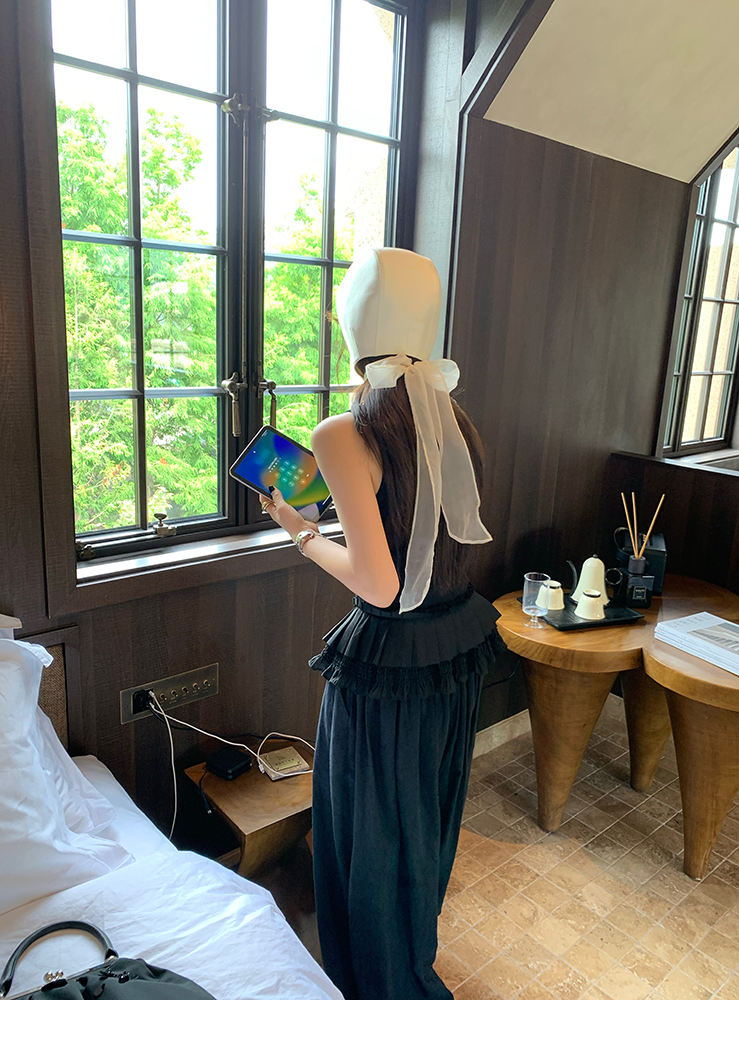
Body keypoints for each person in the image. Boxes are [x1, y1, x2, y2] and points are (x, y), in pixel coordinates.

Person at [260, 247, 504, 1000]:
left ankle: (375, 982)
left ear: (352, 327)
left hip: (389, 664)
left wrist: (300, 530)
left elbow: (379, 583)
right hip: (454, 645)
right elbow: (423, 532)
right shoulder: (453, 419)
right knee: (423, 817)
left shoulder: (344, 432)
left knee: (368, 823)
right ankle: (408, 950)